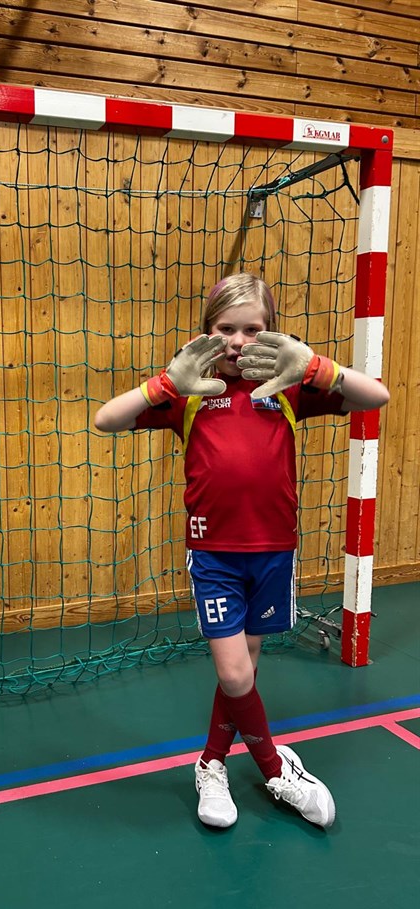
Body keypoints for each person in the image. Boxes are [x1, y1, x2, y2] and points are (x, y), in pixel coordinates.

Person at [94, 273, 389, 829]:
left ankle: (210, 763)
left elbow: (377, 395)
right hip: (215, 556)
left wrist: (314, 367)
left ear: (271, 332)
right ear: (207, 332)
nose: (238, 340)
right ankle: (276, 769)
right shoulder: (191, 393)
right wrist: (166, 383)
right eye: (226, 328)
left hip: (274, 552)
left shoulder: (287, 388)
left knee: (245, 668)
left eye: (253, 329)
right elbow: (105, 418)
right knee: (234, 675)